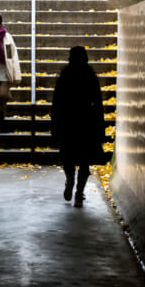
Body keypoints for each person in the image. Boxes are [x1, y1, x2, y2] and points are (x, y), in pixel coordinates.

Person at [51, 45, 105, 207]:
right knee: (84, 161)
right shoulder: (91, 76)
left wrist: (55, 125)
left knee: (68, 158)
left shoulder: (64, 76)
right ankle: (79, 193)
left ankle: (69, 181)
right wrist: (99, 126)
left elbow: (56, 103)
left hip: (68, 122)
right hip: (86, 122)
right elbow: (98, 103)